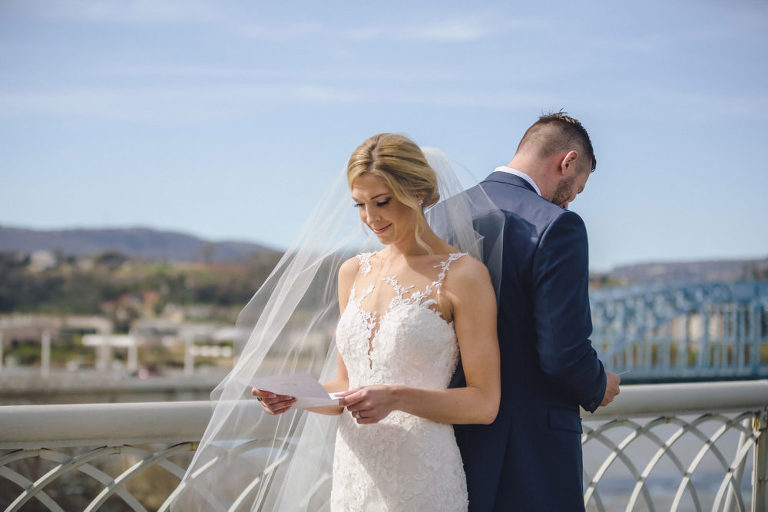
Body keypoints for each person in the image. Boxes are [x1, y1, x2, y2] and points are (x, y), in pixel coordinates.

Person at [171, 133, 503, 512]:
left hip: (422, 475)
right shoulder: (353, 272)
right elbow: (347, 385)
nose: (370, 218)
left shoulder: (462, 275)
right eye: (360, 205)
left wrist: (396, 397)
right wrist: (298, 396)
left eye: (382, 202)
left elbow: (483, 402)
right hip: (353, 473)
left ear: (419, 193)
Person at [451, 112, 621, 511]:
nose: (573, 198)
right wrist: (599, 384)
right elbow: (563, 354)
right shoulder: (556, 226)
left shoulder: (438, 217)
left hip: (446, 437)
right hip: (529, 451)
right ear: (567, 161)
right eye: (577, 186)